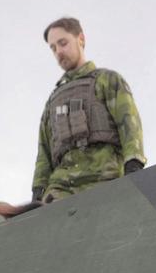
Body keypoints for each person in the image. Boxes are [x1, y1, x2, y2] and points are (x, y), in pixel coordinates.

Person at [34, 17, 145, 203]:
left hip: (104, 178)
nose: (59, 52)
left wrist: (134, 165)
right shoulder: (52, 102)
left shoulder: (107, 80)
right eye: (53, 48)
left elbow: (129, 124)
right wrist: (38, 188)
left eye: (63, 43)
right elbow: (44, 151)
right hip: (60, 190)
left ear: (81, 39)